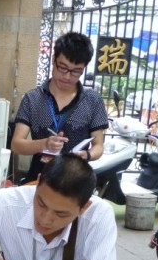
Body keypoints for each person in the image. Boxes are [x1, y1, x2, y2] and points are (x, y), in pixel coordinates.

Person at [11, 32, 108, 183]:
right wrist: (44, 144)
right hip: (38, 179)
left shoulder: (93, 100)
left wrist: (87, 155)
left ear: (84, 68)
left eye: (76, 71)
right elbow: (16, 144)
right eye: (63, 67)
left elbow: (99, 146)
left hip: (75, 182)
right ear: (54, 59)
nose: (67, 76)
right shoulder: (33, 98)